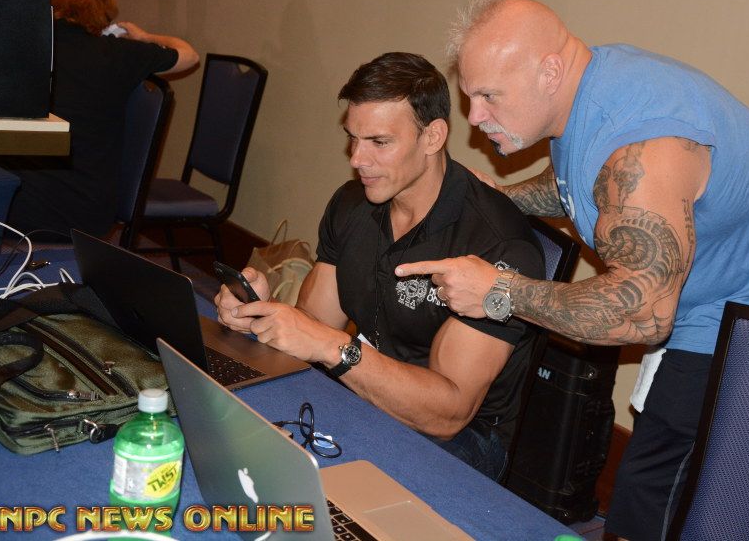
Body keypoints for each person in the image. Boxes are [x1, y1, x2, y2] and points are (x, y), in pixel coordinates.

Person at [395, 0, 749, 540]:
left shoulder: (644, 143)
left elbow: (643, 315)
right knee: (658, 474)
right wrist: (506, 199)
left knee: (655, 491)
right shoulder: (587, 87)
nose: (475, 116)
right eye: (470, 96)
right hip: (695, 293)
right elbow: (592, 182)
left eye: (489, 96)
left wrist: (499, 291)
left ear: (548, 72)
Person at [216, 52, 544, 481]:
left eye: (379, 142)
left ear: (433, 137)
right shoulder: (352, 203)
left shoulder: (497, 245)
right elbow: (316, 324)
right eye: (353, 138)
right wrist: (263, 313)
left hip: (462, 439)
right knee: (239, 420)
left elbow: (448, 414)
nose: (357, 158)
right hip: (362, 384)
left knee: (312, 474)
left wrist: (334, 348)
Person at [0, 0, 198, 239]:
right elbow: (189, 55)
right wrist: (144, 37)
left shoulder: (22, 49)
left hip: (30, 205)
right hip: (89, 207)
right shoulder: (120, 53)